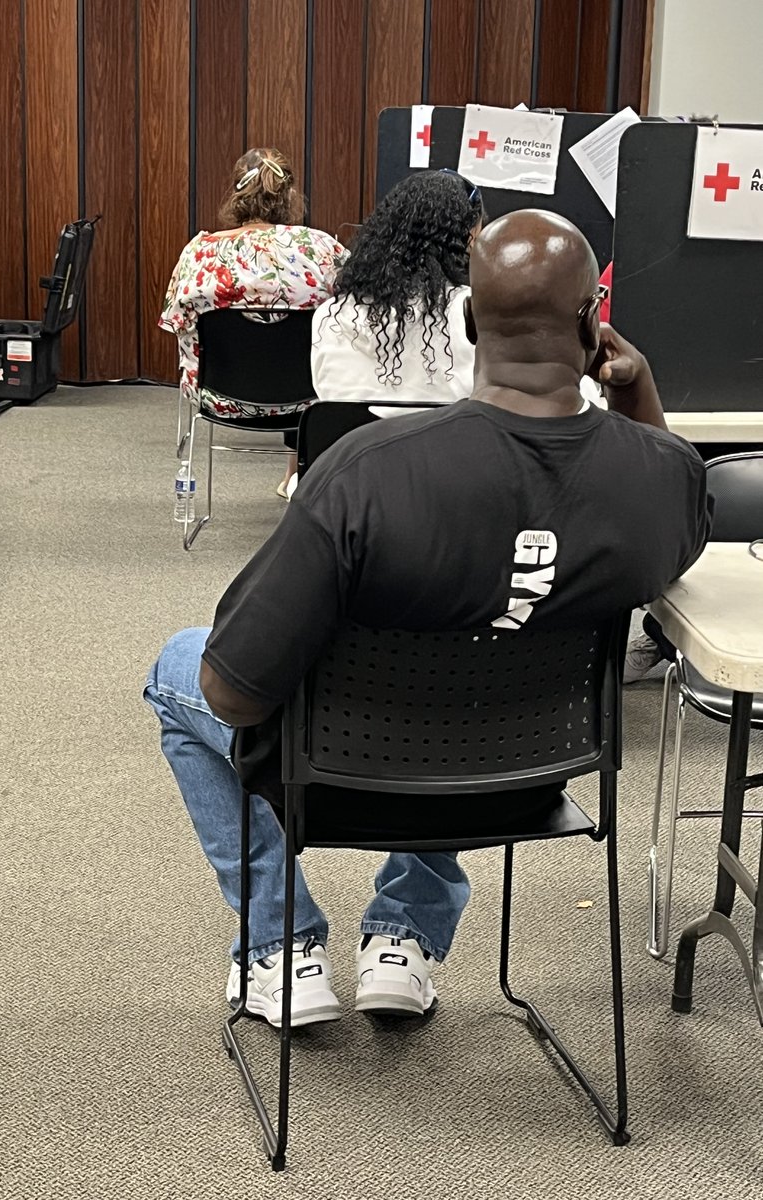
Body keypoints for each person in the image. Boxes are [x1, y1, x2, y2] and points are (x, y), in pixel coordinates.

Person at [145, 211, 711, 1029]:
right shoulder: (654, 476)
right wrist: (637, 390)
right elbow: (680, 509)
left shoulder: (366, 475)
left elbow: (230, 693)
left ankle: (281, 948)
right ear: (594, 324)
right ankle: (404, 940)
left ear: (471, 320)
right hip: (523, 779)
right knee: (477, 650)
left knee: (176, 671)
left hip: (343, 777)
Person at [159, 147, 346, 497]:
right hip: (309, 399)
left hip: (220, 397)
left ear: (236, 194)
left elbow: (177, 323)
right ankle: (297, 474)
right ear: (290, 195)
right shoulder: (322, 249)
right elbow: (351, 314)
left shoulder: (199, 253)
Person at [311, 170, 482, 402]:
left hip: (351, 438)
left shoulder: (329, 316)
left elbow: (326, 395)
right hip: (438, 437)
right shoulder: (471, 313)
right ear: (466, 239)